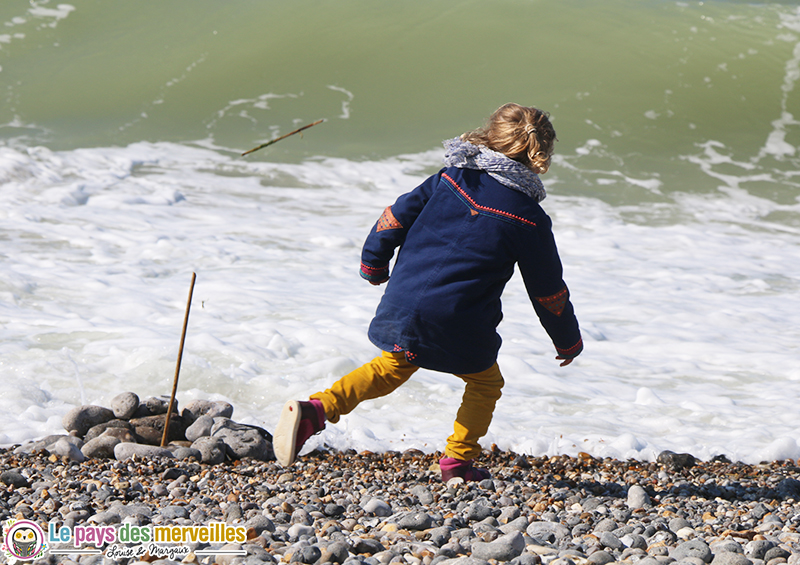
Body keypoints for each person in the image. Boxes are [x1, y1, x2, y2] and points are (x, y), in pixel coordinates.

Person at [273, 103, 583, 481]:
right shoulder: (529, 218)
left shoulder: (451, 178)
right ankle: (457, 461)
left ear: (491, 136)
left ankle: (316, 410)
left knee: (391, 367)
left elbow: (393, 217)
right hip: (460, 318)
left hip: (404, 301)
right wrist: (567, 341)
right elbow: (548, 291)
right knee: (485, 383)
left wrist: (374, 264)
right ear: (541, 153)